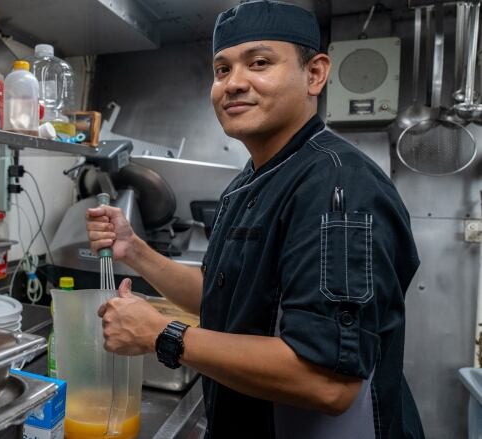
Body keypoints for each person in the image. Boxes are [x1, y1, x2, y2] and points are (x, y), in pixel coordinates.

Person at [86, 1, 424, 438]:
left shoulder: (338, 187)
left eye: (259, 63)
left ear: (315, 74)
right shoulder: (252, 180)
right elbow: (226, 297)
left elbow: (327, 382)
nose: (234, 84)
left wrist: (161, 334)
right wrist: (134, 250)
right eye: (222, 70)